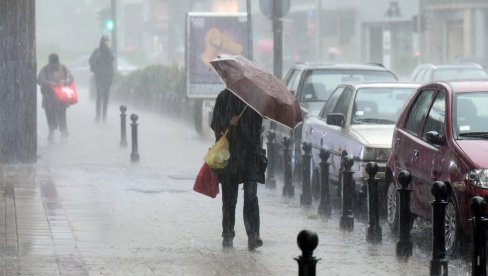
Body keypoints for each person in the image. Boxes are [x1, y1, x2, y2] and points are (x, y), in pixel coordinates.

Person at [210, 89, 265, 250]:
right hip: (229, 156)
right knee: (229, 198)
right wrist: (229, 123)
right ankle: (227, 234)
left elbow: (257, 131)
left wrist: (243, 125)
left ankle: (253, 235)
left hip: (250, 156)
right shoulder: (223, 97)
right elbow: (215, 124)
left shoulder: (254, 102)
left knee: (251, 196)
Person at [37, 53, 74, 140]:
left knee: (61, 114)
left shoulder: (63, 68)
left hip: (60, 97)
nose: (55, 65)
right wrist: (49, 83)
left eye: (56, 63)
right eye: (53, 64)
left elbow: (71, 78)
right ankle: (52, 131)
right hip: (48, 97)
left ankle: (63, 131)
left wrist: (64, 82)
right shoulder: (45, 69)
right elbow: (39, 80)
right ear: (49, 62)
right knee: (50, 114)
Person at [89, 35, 115, 122]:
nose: (107, 43)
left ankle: (104, 116)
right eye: (105, 41)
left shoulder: (109, 52)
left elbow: (111, 60)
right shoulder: (97, 52)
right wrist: (96, 69)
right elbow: (91, 61)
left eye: (108, 41)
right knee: (99, 96)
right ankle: (98, 115)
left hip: (107, 78)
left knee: (106, 97)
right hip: (99, 78)